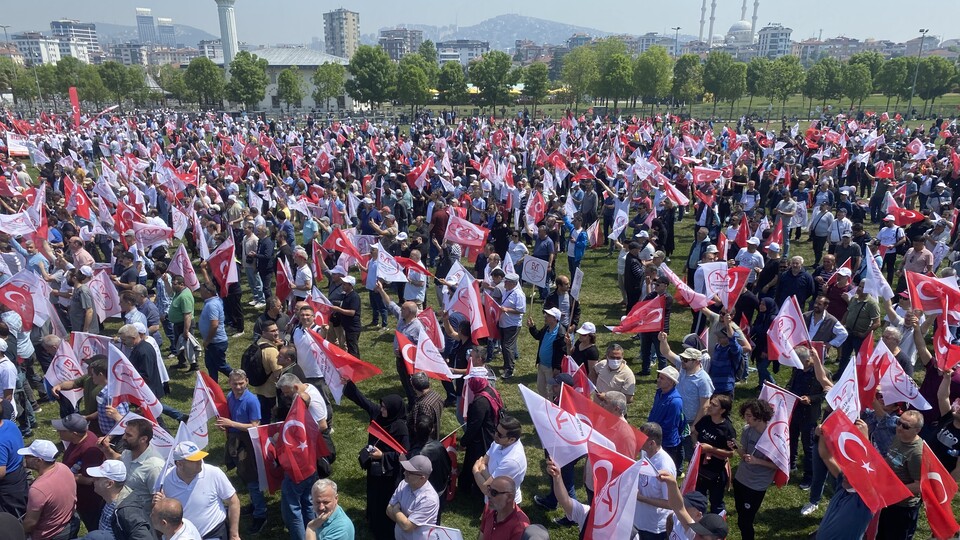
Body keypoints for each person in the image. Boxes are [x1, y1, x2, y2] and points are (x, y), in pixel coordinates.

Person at [342, 380, 408, 540]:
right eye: (382, 406)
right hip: (374, 468)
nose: (382, 409)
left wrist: (383, 456)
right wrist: (347, 384)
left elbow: (405, 455)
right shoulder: (378, 414)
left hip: (389, 473)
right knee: (373, 494)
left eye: (385, 407)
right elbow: (362, 400)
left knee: (384, 499)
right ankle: (372, 519)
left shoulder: (401, 428)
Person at [154, 441, 241, 540]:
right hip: (183, 535)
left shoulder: (213, 473)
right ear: (180, 464)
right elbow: (160, 511)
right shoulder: (165, 479)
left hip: (213, 532)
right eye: (194, 460)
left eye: (200, 457)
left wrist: (234, 534)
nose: (200, 461)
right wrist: (159, 503)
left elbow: (233, 501)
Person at [215, 370, 267, 533]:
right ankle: (254, 505)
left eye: (241, 383)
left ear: (247, 381)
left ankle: (261, 514)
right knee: (244, 476)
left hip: (248, 445)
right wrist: (227, 425)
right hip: (236, 442)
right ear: (229, 383)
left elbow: (255, 426)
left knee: (252, 480)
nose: (238, 387)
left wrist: (232, 423)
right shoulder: (230, 396)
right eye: (235, 383)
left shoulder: (252, 401)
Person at [814, 419, 875, 539]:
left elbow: (869, 472)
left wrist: (864, 440)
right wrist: (822, 434)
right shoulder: (842, 485)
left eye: (852, 475)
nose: (846, 476)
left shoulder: (865, 500)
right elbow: (826, 457)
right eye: (847, 473)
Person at [97, 418, 165, 513]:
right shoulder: (129, 451)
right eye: (125, 433)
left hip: (135, 518)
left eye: (129, 435)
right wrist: (107, 450)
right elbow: (120, 460)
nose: (123, 437)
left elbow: (158, 501)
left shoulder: (154, 467)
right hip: (118, 510)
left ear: (143, 439)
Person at [732, 400, 778, 540]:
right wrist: (736, 447)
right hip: (741, 479)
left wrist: (758, 461)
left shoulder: (773, 436)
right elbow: (744, 455)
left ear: (760, 416)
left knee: (745, 522)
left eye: (749, 416)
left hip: (756, 485)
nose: (746, 419)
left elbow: (779, 466)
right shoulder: (747, 430)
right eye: (745, 415)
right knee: (741, 516)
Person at [875, 410, 924, 539]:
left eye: (906, 426)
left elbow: (919, 485)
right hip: (888, 501)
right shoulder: (899, 437)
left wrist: (893, 490)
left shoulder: (917, 453)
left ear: (917, 430)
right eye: (899, 423)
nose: (900, 428)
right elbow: (892, 458)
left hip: (903, 508)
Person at [53, 413, 105, 531]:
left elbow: (89, 479)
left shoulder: (90, 450)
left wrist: (64, 475)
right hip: (80, 497)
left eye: (62, 430)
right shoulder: (81, 438)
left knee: (95, 528)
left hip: (89, 501)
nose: (58, 431)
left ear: (74, 433)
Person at [18, 439, 78, 540]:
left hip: (50, 534)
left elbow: (31, 523)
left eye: (28, 456)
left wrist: (19, 534)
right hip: (70, 524)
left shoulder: (38, 489)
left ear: (38, 461)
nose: (25, 458)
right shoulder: (64, 468)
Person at [692, 393, 736, 514]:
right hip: (700, 467)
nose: (709, 406)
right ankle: (699, 523)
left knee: (716, 503)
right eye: (710, 403)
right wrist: (696, 444)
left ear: (722, 410)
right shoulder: (706, 419)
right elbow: (694, 433)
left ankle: (717, 527)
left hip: (716, 472)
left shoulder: (727, 430)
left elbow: (731, 453)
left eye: (714, 405)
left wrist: (711, 449)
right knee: (698, 500)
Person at [87, 460, 153, 540]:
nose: (93, 480)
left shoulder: (128, 512)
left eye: (97, 478)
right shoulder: (107, 499)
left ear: (109, 484)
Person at [460, 376, 503, 497]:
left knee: (475, 465)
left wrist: (464, 442)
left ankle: (473, 490)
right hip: (490, 432)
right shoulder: (491, 391)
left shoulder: (479, 402)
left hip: (480, 439)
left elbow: (474, 426)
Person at [633, 422, 677, 540]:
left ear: (651, 443)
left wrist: (641, 498)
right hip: (641, 520)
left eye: (641, 438)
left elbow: (670, 503)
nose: (637, 440)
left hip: (655, 528)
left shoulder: (664, 466)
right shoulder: (646, 453)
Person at [656, 471, 729, 540]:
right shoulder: (694, 534)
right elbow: (678, 508)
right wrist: (672, 483)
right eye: (697, 532)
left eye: (701, 537)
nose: (694, 537)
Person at [473, 415, 526, 504]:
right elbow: (484, 461)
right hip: (492, 500)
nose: (495, 435)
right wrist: (489, 477)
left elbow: (487, 489)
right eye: (496, 430)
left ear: (511, 439)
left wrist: (475, 471)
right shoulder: (499, 442)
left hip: (504, 505)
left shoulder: (512, 461)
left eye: (500, 434)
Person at [386, 455, 440, 539]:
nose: (404, 473)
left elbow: (407, 527)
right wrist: (402, 520)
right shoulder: (404, 484)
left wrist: (396, 509)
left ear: (422, 478)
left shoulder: (429, 499)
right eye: (405, 470)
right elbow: (388, 510)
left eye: (409, 472)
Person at [647, 366, 684, 470]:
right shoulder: (659, 392)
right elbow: (654, 411)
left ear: (671, 382)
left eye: (662, 378)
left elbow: (669, 426)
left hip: (666, 442)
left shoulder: (675, 402)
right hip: (655, 436)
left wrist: (652, 434)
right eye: (659, 377)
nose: (658, 380)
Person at [527, 307, 564, 401]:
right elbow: (538, 335)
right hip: (542, 365)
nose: (545, 316)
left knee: (551, 390)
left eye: (549, 315)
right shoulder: (546, 328)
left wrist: (557, 368)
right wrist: (532, 327)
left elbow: (561, 353)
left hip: (551, 368)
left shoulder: (560, 334)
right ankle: (545, 404)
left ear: (555, 319)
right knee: (540, 387)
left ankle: (551, 407)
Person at [198, 281, 232, 382]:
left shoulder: (212, 305)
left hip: (216, 342)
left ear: (208, 292)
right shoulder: (213, 300)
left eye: (202, 291)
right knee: (210, 365)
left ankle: (239, 378)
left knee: (221, 365)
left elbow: (214, 324)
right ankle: (213, 386)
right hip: (212, 343)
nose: (200, 293)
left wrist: (207, 340)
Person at [478, 476, 530, 540]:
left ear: (509, 497)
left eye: (494, 492)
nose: (488, 495)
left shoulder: (520, 528)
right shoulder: (489, 507)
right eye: (489, 489)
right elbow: (482, 533)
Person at [0, 401, 27, 517]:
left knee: (12, 518)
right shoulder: (8, 424)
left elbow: (1, 472)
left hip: (8, 487)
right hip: (19, 472)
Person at [498, 272, 526, 380]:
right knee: (504, 345)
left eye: (507, 282)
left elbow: (521, 310)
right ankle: (506, 365)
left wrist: (507, 310)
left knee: (507, 346)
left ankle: (509, 369)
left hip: (512, 324)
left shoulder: (519, 294)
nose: (505, 283)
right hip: (504, 323)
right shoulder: (506, 291)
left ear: (513, 283)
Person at [408, 372, 443, 441]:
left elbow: (423, 428)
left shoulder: (423, 405)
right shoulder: (436, 395)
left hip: (423, 441)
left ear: (414, 387)